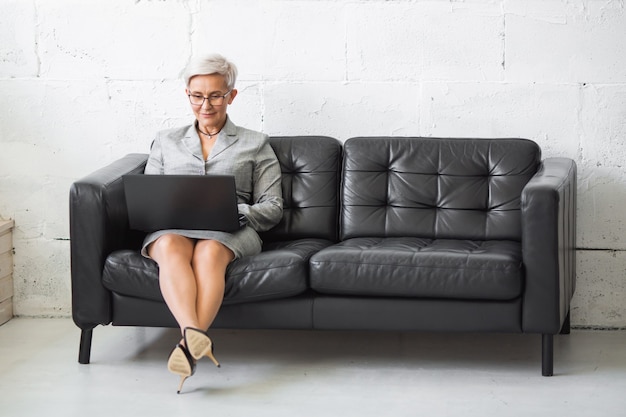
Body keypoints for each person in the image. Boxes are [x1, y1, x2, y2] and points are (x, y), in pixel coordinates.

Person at [142, 53, 283, 393]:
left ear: (231, 96)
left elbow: (274, 206)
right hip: (174, 229)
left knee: (208, 253)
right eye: (197, 96)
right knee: (168, 245)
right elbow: (149, 195)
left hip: (229, 231)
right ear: (188, 94)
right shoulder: (165, 141)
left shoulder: (255, 143)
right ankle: (194, 340)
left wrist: (237, 210)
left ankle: (186, 347)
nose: (206, 105)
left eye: (215, 95)